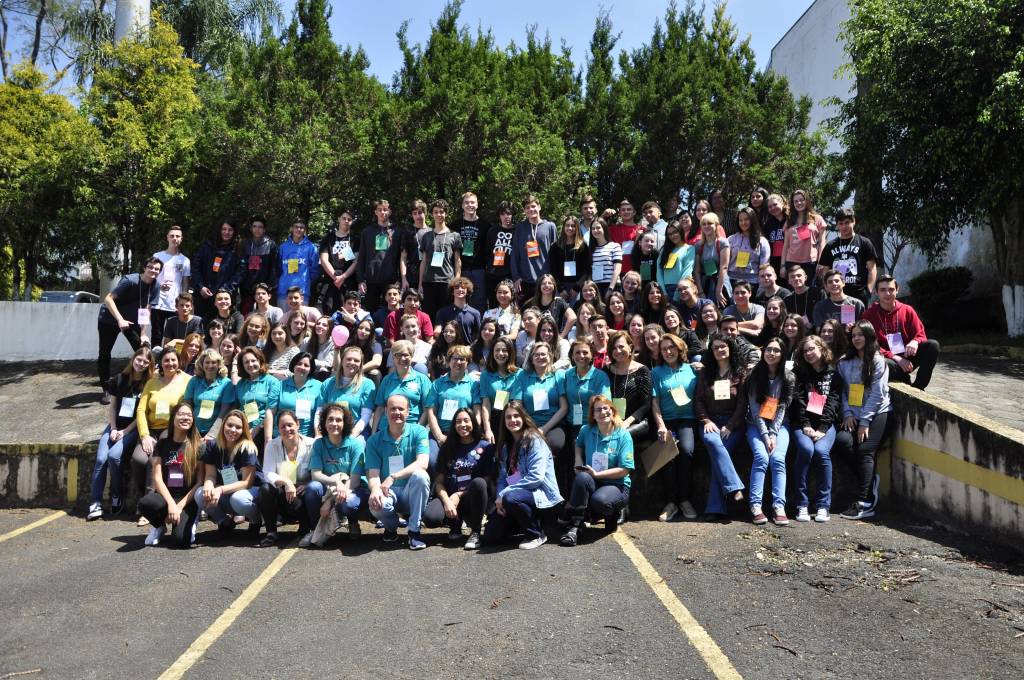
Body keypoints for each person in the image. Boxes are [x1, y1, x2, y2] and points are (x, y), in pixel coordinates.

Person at [482, 401, 563, 549]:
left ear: (524, 418)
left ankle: (536, 534)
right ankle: (521, 524)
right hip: (515, 497)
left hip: (540, 496)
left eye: (516, 416)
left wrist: (504, 494)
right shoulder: (506, 447)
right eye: (508, 417)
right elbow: (502, 478)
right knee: (490, 537)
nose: (512, 420)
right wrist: (499, 498)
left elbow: (536, 477)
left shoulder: (535, 441)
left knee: (511, 498)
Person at [87, 347, 154, 521]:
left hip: (132, 428)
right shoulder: (119, 379)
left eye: (145, 362)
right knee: (101, 459)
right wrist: (114, 428)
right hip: (115, 426)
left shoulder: (149, 383)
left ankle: (117, 494)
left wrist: (124, 432)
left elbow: (142, 414)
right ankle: (95, 503)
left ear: (149, 365)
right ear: (133, 358)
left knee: (114, 456)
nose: (141, 364)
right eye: (139, 359)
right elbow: (113, 407)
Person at [558, 395, 635, 545]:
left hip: (617, 485)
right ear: (593, 415)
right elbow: (578, 444)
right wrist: (578, 460)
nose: (603, 412)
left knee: (600, 501)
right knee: (581, 478)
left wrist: (597, 474)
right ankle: (575, 526)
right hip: (593, 480)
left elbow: (624, 470)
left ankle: (612, 513)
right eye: (598, 410)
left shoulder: (623, 435)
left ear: (612, 411)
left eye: (606, 408)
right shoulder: (586, 430)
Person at [836, 320, 892, 520]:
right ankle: (869, 480)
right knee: (842, 441)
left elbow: (877, 395)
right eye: (853, 335)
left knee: (865, 449)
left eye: (861, 335)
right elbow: (842, 392)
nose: (857, 338)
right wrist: (847, 414)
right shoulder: (844, 362)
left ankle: (864, 501)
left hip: (878, 413)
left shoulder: (877, 361)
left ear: (869, 337)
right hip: (853, 414)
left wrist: (865, 422)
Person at [422, 408, 494, 549]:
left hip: (472, 499)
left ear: (473, 422)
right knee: (431, 518)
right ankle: (454, 523)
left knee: (479, 483)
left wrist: (459, 495)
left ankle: (475, 531)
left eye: (466, 420)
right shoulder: (447, 447)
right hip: (450, 497)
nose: (462, 425)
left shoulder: (485, 447)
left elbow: (486, 480)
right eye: (458, 422)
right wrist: (447, 501)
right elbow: (439, 482)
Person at [366, 394, 432, 549]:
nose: (397, 412)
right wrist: (375, 490)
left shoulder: (419, 431)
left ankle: (414, 531)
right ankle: (391, 527)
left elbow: (423, 463)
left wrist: (394, 476)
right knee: (375, 505)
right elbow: (373, 474)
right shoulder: (374, 440)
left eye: (401, 409)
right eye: (393, 409)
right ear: (386, 411)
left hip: (411, 490)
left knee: (421, 475)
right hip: (388, 491)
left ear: (408, 412)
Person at [694, 333, 748, 519]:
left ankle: (714, 509)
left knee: (718, 456)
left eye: (723, 346)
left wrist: (730, 426)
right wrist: (706, 421)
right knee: (714, 443)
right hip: (710, 422)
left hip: (733, 424)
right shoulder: (706, 373)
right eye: (715, 347)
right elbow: (698, 401)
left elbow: (743, 404)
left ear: (730, 348)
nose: (719, 350)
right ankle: (734, 486)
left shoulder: (740, 373)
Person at [132, 349, 192, 516]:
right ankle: (146, 499)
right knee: (138, 459)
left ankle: (149, 506)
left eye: (173, 360)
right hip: (151, 430)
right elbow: (141, 410)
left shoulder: (187, 380)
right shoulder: (152, 382)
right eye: (166, 360)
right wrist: (144, 435)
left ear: (179, 362)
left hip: (171, 429)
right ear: (160, 363)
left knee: (153, 459)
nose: (170, 363)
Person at [137, 401, 204, 547]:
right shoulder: (162, 444)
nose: (185, 418)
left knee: (181, 541)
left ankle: (192, 520)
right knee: (145, 503)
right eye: (181, 414)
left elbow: (200, 481)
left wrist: (179, 506)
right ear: (173, 418)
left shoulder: (198, 446)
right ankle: (159, 526)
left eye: (189, 415)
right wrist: (171, 505)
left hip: (187, 499)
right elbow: (157, 478)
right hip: (166, 496)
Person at [97, 257, 163, 403]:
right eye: (150, 267)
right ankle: (107, 389)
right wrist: (120, 319)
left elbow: (146, 309)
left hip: (131, 322)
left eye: (157, 269)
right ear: (144, 268)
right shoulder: (130, 281)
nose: (153, 270)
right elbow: (108, 299)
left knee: (143, 350)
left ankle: (142, 384)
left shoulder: (156, 285)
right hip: (109, 319)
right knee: (104, 353)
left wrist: (143, 333)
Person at [790, 335, 841, 523]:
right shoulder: (798, 373)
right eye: (805, 351)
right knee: (806, 449)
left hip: (825, 425)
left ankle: (823, 505)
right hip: (802, 424)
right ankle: (801, 504)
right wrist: (805, 425)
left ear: (821, 348)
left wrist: (822, 428)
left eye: (812, 348)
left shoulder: (833, 374)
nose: (809, 353)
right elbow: (798, 402)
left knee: (821, 452)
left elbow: (833, 403)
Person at [649, 334, 700, 522]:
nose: (668, 351)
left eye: (671, 347)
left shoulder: (692, 369)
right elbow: (655, 402)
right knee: (666, 453)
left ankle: (685, 500)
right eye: (664, 349)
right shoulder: (656, 372)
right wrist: (661, 426)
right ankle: (671, 503)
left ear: (679, 349)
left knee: (686, 450)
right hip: (667, 422)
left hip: (688, 420)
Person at [745, 337, 795, 525]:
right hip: (755, 425)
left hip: (780, 425)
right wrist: (766, 436)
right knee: (761, 457)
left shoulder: (788, 377)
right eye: (768, 349)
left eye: (776, 350)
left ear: (782, 354)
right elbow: (755, 409)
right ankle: (755, 505)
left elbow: (782, 408)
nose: (771, 353)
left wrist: (773, 434)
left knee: (778, 459)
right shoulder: (754, 375)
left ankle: (778, 506)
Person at [304, 403, 369, 546]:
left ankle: (352, 521)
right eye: (330, 419)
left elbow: (355, 481)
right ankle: (316, 529)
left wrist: (330, 501)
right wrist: (336, 483)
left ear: (345, 423)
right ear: (324, 422)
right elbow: (315, 475)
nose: (334, 423)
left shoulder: (356, 444)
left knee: (349, 503)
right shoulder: (319, 444)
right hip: (331, 486)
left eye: (339, 420)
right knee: (312, 488)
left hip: (353, 488)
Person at [862, 275, 941, 390]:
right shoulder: (868, 315)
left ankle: (918, 388)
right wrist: (896, 358)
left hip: (908, 356)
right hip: (888, 358)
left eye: (891, 289)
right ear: (876, 292)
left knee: (933, 345)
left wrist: (915, 341)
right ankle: (904, 377)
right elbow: (869, 344)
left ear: (897, 290)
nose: (887, 293)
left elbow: (920, 334)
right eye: (883, 290)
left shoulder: (907, 310)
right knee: (878, 363)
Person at [195, 409, 262, 537]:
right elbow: (210, 475)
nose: (233, 430)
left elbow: (246, 483)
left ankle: (256, 520)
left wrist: (219, 489)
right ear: (223, 425)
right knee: (200, 493)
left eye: (238, 427)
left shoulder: (247, 447)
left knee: (239, 499)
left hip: (250, 491)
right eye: (229, 425)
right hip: (228, 491)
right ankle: (224, 522)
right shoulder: (212, 445)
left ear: (244, 430)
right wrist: (208, 484)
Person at [513, 343, 570, 490]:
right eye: (537, 355)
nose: (540, 357)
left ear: (550, 356)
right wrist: (531, 427)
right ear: (531, 359)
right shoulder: (522, 376)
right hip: (529, 424)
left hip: (554, 424)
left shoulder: (558, 375)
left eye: (544, 354)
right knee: (528, 447)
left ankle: (551, 488)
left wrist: (544, 428)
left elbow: (564, 407)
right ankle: (530, 487)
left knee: (554, 444)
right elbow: (518, 405)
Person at [256, 410, 316, 546]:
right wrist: (286, 482)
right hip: (282, 489)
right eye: (282, 426)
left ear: (298, 424)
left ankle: (305, 529)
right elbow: (267, 472)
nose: (287, 429)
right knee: (265, 489)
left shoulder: (311, 444)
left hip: (302, 491)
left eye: (290, 425)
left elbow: (318, 471)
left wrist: (308, 484)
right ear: (278, 429)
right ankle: (271, 533)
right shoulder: (272, 445)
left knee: (309, 493)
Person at [425, 345, 482, 469]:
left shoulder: (473, 385)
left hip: (464, 433)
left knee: (463, 465)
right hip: (441, 432)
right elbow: (431, 413)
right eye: (455, 358)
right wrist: (439, 436)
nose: (458, 362)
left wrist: (469, 435)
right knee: (432, 462)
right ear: (449, 361)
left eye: (463, 359)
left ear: (467, 363)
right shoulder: (437, 384)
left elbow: (477, 413)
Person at [357, 199, 414, 309]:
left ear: (390, 212)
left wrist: (400, 279)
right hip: (371, 279)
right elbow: (361, 257)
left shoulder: (398, 232)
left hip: (392, 281)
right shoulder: (367, 232)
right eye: (379, 210)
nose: (382, 212)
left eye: (385, 210)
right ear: (375, 212)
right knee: (371, 311)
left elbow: (402, 257)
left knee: (391, 312)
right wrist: (360, 280)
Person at [818, 207, 878, 305]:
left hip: (858, 294)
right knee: (838, 316)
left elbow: (872, 268)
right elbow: (825, 271)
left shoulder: (864, 243)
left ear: (853, 222)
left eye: (847, 223)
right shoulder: (830, 246)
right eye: (841, 224)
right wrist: (828, 290)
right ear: (837, 225)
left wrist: (869, 290)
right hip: (836, 294)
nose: (844, 226)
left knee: (858, 316)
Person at [603, 331, 653, 445]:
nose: (618, 351)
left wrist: (627, 422)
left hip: (636, 422)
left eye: (621, 346)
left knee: (618, 437)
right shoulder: (606, 371)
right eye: (614, 348)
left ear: (630, 347)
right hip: (611, 421)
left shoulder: (642, 371)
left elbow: (646, 405)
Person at [318, 345, 377, 440]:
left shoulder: (367, 384)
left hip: (357, 434)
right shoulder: (328, 383)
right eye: (349, 359)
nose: (352, 362)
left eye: (356, 360)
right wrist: (318, 434)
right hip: (331, 431)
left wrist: (351, 436)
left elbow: (366, 416)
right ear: (342, 361)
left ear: (361, 364)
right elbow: (319, 412)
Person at [372, 340, 432, 431]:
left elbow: (427, 410)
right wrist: (373, 434)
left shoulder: (422, 380)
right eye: (398, 355)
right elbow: (380, 408)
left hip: (412, 428)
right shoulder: (387, 380)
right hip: (386, 429)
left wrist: (417, 430)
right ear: (393, 358)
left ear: (412, 356)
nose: (402, 358)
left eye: (406, 355)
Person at [229, 347, 280, 451]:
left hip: (263, 430)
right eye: (246, 362)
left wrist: (256, 429)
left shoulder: (272, 382)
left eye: (253, 360)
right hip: (243, 428)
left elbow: (271, 411)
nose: (250, 364)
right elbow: (237, 407)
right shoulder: (241, 383)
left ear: (260, 361)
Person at [419, 199, 463, 318]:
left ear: (446, 213)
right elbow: (423, 261)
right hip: (429, 281)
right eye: (436, 212)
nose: (439, 214)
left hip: (447, 281)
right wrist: (420, 284)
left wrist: (457, 280)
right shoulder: (426, 236)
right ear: (432, 214)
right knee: (429, 315)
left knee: (447, 316)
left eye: (442, 212)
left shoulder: (454, 235)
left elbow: (457, 260)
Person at [192, 219, 243, 323]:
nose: (226, 232)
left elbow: (240, 273)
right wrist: (201, 286)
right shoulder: (207, 246)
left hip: (224, 297)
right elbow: (196, 268)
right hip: (203, 295)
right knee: (202, 325)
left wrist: (225, 290)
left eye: (230, 230)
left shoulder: (237, 250)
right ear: (219, 230)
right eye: (224, 229)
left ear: (234, 232)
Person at [510, 194, 557, 302]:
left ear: (539, 207)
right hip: (525, 280)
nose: (531, 209)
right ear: (524, 211)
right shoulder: (520, 228)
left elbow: (556, 255)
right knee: (526, 310)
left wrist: (554, 279)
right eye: (527, 207)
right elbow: (515, 254)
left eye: (533, 206)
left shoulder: (550, 226)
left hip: (546, 281)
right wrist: (516, 277)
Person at [560, 340, 612, 435]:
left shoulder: (600, 376)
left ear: (592, 355)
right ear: (572, 356)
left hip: (593, 426)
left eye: (585, 352)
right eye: (577, 353)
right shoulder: (567, 375)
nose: (581, 356)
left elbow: (605, 403)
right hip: (570, 426)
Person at [451, 191, 491, 311]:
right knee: (461, 301)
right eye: (467, 202)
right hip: (461, 270)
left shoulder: (486, 225)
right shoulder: (455, 225)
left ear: (477, 205)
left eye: (472, 202)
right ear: (462, 205)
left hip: (480, 270)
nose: (470, 205)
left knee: (480, 302)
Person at [183, 348, 232, 439]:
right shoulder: (194, 381)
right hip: (193, 430)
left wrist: (212, 434)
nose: (210, 365)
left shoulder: (227, 383)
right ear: (202, 364)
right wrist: (190, 429)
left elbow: (224, 411)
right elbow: (187, 405)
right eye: (207, 362)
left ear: (219, 364)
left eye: (213, 362)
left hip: (216, 433)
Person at [152, 225, 191, 337]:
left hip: (174, 305)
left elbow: (185, 282)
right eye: (172, 236)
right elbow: (150, 277)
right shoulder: (157, 256)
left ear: (181, 239)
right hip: (157, 303)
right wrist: (159, 286)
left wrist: (183, 302)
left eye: (177, 236)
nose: (175, 238)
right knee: (157, 335)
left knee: (175, 336)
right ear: (167, 238)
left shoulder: (185, 260)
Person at [317, 210, 360, 314]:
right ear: (339, 219)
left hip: (348, 281)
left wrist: (343, 277)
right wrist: (335, 277)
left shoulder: (356, 240)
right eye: (344, 218)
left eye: (349, 219)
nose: (346, 221)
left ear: (352, 222)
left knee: (347, 312)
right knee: (328, 311)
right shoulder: (328, 238)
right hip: (330, 280)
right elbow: (324, 259)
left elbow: (356, 262)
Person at [479, 337, 520, 443]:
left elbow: (518, 403)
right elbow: (486, 404)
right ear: (492, 353)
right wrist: (487, 429)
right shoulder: (485, 375)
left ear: (510, 353)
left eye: (504, 350)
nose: (500, 353)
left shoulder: (519, 374)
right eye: (497, 350)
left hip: (514, 419)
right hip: (495, 419)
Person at [780, 189, 825, 284]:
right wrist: (783, 265)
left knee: (809, 290)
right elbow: (785, 245)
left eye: (801, 200)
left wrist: (821, 262)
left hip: (811, 262)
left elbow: (822, 243)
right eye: (795, 201)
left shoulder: (817, 219)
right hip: (791, 262)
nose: (799, 203)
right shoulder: (789, 221)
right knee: (794, 290)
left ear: (807, 201)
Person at [239, 217, 279, 312]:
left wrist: (270, 286)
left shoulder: (271, 245)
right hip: (247, 289)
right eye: (255, 226)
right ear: (251, 229)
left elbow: (273, 267)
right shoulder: (245, 244)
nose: (257, 229)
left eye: (260, 227)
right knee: (247, 314)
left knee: (264, 315)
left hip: (264, 288)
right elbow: (241, 267)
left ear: (264, 230)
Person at [278, 352, 322, 437]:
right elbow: (271, 411)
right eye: (299, 364)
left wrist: (318, 435)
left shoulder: (319, 386)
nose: (302, 367)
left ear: (311, 369)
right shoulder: (280, 385)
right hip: (282, 435)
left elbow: (320, 412)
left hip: (307, 437)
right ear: (293, 365)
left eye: (306, 365)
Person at [277, 219, 320, 306]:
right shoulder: (283, 247)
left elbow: (315, 270)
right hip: (284, 292)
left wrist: (305, 282)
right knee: (283, 315)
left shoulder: (311, 248)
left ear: (305, 230)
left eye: (301, 227)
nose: (299, 229)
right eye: (296, 227)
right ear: (291, 229)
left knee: (300, 315)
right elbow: (278, 268)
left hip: (302, 293)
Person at [483, 201, 516, 307]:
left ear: (512, 215)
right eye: (503, 214)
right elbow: (487, 251)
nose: (506, 216)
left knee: (510, 305)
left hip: (510, 274)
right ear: (499, 216)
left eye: (509, 213)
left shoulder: (517, 231)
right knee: (493, 305)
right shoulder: (492, 230)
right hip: (493, 274)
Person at [549, 216, 591, 299]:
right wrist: (560, 288)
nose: (570, 228)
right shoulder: (555, 246)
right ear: (564, 227)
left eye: (573, 226)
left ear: (577, 228)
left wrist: (577, 287)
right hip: (560, 288)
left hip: (578, 288)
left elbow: (587, 269)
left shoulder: (583, 246)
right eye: (567, 225)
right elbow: (553, 269)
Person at [695, 212, 731, 307]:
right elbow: (697, 271)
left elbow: (724, 267)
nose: (706, 226)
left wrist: (718, 290)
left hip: (721, 282)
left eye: (710, 223)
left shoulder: (722, 243)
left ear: (716, 225)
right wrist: (700, 291)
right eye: (704, 224)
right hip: (705, 284)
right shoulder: (699, 245)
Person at [657, 221, 696, 302]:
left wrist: (677, 294)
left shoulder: (689, 249)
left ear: (680, 231)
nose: (673, 236)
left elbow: (687, 271)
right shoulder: (664, 250)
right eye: (670, 234)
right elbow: (659, 272)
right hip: (665, 290)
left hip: (681, 290)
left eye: (675, 232)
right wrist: (663, 292)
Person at [436, 276, 482, 344]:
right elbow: (438, 331)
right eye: (456, 288)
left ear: (467, 291)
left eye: (463, 288)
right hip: (448, 349)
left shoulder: (475, 313)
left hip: (468, 349)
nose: (460, 289)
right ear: (452, 292)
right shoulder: (442, 312)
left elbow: (479, 335)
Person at [345, 318, 384, 383]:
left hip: (365, 372)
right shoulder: (350, 343)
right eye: (360, 328)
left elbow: (377, 362)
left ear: (371, 333)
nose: (363, 331)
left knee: (375, 372)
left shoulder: (376, 345)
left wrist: (358, 370)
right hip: (349, 370)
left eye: (367, 330)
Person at [609, 199, 642, 273]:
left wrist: (638, 239)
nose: (626, 212)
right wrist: (604, 215)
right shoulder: (613, 229)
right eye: (623, 210)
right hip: (618, 270)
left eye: (629, 209)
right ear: (620, 213)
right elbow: (597, 228)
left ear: (634, 212)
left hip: (636, 270)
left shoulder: (642, 230)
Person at [762, 194, 788, 276]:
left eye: (775, 204)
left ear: (782, 204)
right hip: (774, 261)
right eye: (770, 207)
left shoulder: (791, 220)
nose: (773, 208)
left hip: (790, 259)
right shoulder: (768, 224)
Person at [306, 316, 336, 380]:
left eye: (324, 325)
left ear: (330, 329)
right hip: (307, 370)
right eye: (318, 323)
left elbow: (329, 364)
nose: (320, 326)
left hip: (323, 374)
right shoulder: (306, 341)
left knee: (323, 370)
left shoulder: (334, 343)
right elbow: (300, 358)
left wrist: (310, 361)